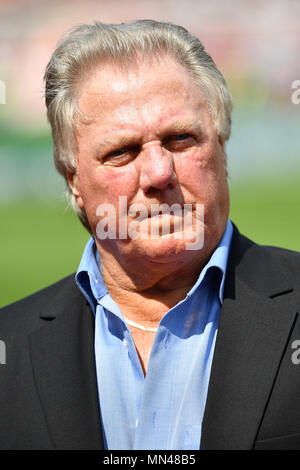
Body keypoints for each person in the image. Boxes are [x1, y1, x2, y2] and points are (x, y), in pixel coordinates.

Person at [1, 19, 300, 451]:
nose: (159, 173)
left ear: (222, 148)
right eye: (120, 151)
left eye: (181, 139)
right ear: (74, 182)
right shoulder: (9, 347)